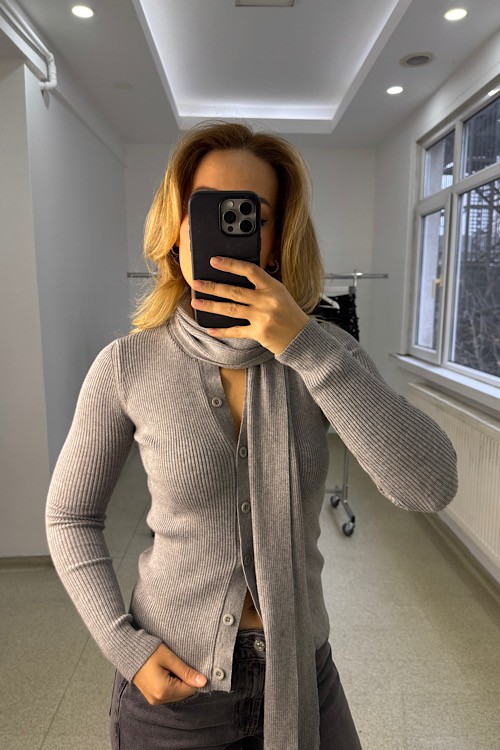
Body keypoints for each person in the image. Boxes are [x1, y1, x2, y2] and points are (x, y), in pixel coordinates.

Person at [45, 121, 458, 750]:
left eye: (249, 215)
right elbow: (69, 516)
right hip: (174, 693)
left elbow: (431, 485)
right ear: (175, 229)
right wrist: (124, 646)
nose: (225, 229)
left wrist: (306, 346)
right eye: (204, 210)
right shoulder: (128, 364)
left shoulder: (323, 353)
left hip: (304, 675)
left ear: (276, 240)